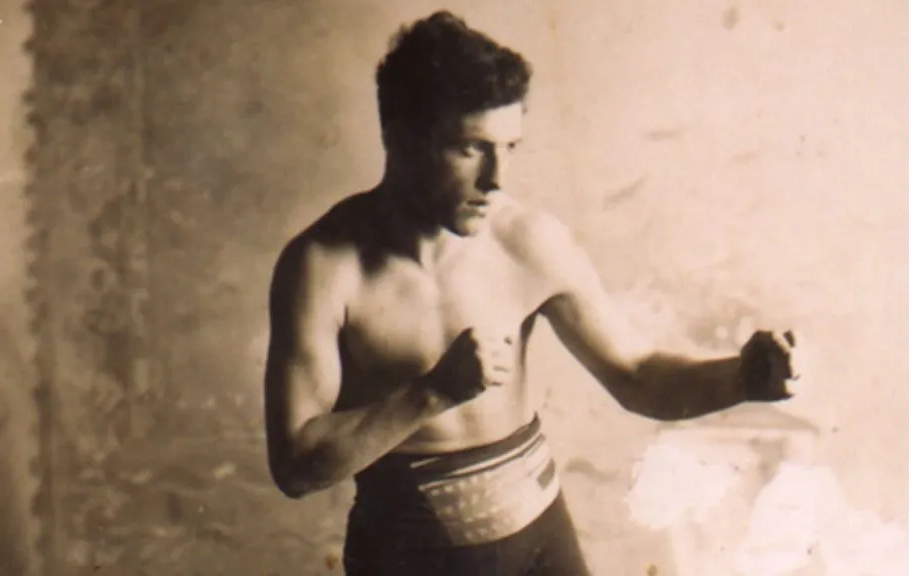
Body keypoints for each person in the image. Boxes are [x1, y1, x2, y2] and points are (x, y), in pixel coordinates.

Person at [263, 10, 799, 576]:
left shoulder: (527, 241)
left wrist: (741, 378)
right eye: (471, 148)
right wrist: (430, 395)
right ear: (398, 136)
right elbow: (296, 465)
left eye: (510, 146)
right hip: (406, 559)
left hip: (542, 546)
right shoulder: (322, 268)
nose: (497, 178)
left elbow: (638, 374)